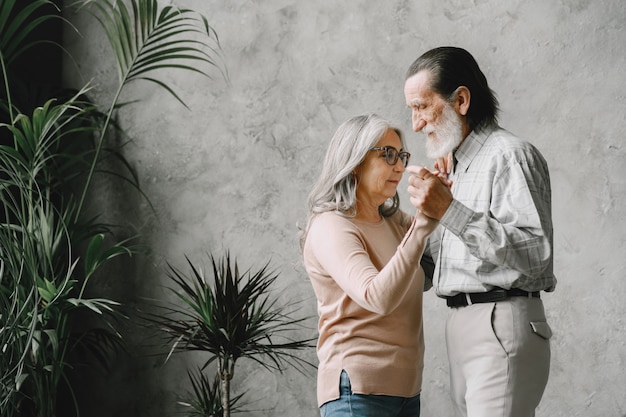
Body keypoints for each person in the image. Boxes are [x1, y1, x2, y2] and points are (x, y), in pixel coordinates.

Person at [403, 46, 556, 417]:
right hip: (461, 324)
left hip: (499, 321)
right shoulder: (453, 168)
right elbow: (430, 270)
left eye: (422, 107)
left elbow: (536, 256)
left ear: (461, 100)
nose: (415, 124)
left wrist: (448, 210)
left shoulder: (510, 155)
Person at [300, 113, 439, 417]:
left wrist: (444, 195)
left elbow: (432, 269)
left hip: (406, 391)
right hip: (356, 393)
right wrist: (424, 226)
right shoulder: (331, 226)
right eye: (388, 155)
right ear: (355, 161)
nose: (400, 167)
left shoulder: (393, 222)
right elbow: (378, 297)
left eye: (402, 155)